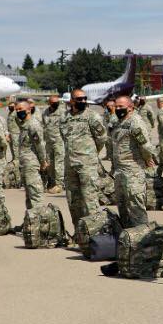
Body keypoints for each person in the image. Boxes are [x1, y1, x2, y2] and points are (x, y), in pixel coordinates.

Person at [109, 96, 155, 228]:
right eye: (116, 106)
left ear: (130, 107)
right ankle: (128, 236)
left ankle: (143, 237)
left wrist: (147, 159)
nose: (118, 109)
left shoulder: (136, 122)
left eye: (121, 106)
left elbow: (145, 146)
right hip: (119, 171)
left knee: (136, 208)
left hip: (133, 172)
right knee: (123, 207)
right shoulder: (117, 122)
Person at [63, 89, 107, 227]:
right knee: (73, 200)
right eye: (79, 99)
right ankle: (80, 232)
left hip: (87, 164)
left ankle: (95, 233)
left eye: (84, 98)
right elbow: (64, 137)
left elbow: (101, 138)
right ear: (72, 101)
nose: (82, 101)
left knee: (90, 200)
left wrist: (91, 152)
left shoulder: (92, 116)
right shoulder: (64, 117)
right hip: (70, 164)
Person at [12, 99, 48, 209]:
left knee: (35, 194)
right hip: (25, 164)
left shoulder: (33, 125)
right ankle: (31, 217)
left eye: (20, 109)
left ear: (28, 110)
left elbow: (40, 145)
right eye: (17, 110)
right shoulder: (24, 125)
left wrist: (43, 162)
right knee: (29, 195)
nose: (18, 111)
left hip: (32, 164)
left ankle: (39, 216)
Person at [43, 95, 67, 194]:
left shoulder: (63, 112)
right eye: (53, 102)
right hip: (48, 142)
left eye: (57, 102)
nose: (55, 104)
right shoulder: (45, 112)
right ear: (49, 102)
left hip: (59, 141)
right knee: (50, 163)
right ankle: (52, 183)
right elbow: (43, 125)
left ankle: (59, 184)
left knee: (59, 163)